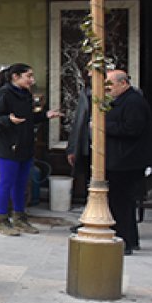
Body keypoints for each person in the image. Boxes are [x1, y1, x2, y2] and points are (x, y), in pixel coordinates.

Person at [0, 63, 61, 236]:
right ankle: (2, 220)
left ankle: (19, 217)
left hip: (25, 144)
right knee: (6, 182)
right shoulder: (3, 93)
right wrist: (8, 120)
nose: (32, 80)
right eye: (29, 76)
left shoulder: (25, 93)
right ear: (15, 77)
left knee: (22, 183)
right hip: (8, 145)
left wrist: (45, 116)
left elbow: (27, 118)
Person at [105, 70, 152, 255]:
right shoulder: (125, 100)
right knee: (123, 202)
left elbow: (132, 129)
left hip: (127, 161)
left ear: (123, 83)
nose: (107, 89)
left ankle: (125, 241)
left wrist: (102, 125)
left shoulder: (134, 102)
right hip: (122, 159)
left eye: (110, 84)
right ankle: (129, 239)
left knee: (122, 202)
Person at [66, 72, 92, 205]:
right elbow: (79, 121)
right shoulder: (87, 92)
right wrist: (73, 148)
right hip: (88, 144)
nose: (89, 73)